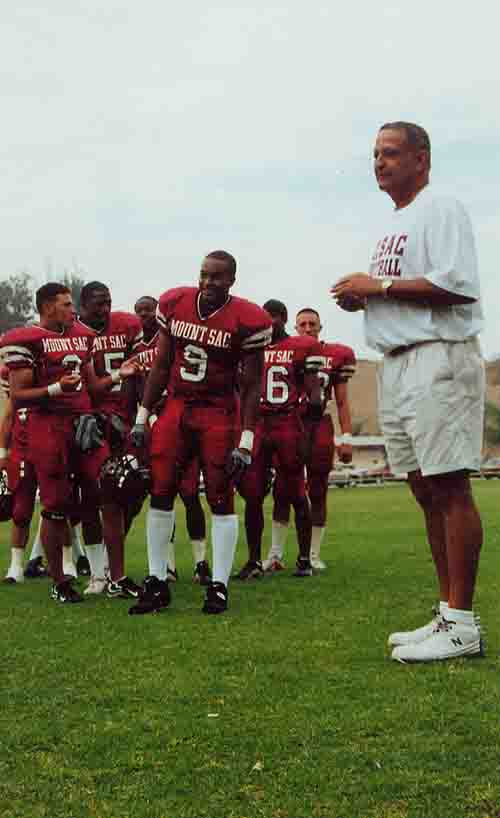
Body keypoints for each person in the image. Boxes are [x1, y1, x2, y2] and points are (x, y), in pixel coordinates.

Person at [331, 121, 485, 663]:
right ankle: (447, 613)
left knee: (448, 485)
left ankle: (463, 622)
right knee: (423, 488)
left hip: (436, 357)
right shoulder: (394, 223)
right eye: (374, 154)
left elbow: (456, 286)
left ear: (421, 159)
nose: (379, 162)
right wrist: (367, 300)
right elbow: (400, 290)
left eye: (391, 153)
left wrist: (376, 287)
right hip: (396, 361)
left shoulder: (440, 208)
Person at [129, 250, 272, 615]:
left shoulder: (248, 318)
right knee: (160, 491)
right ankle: (157, 580)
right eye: (204, 275)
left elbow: (253, 385)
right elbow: (161, 365)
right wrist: (142, 417)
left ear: (232, 281)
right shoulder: (175, 303)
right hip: (176, 406)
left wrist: (246, 440)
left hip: (218, 410)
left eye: (217, 277)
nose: (208, 282)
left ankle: (219, 585)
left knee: (220, 495)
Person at [0, 283, 139, 602]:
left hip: (83, 422)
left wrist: (121, 375)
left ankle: (115, 577)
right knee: (56, 505)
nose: (72, 310)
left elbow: (92, 387)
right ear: (47, 307)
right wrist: (56, 389)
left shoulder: (82, 335)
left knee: (111, 491)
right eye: (65, 304)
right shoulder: (25, 340)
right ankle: (60, 581)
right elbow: (19, 396)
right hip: (46, 427)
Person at [235, 299, 324, 579]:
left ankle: (304, 558)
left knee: (296, 492)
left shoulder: (301, 346)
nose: (268, 322)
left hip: (287, 422)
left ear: (283, 318)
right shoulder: (252, 346)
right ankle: (253, 560)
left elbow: (315, 397)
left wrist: (306, 434)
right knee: (252, 495)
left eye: (273, 317)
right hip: (259, 423)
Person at [264, 307, 356, 572]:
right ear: (295, 327)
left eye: (312, 323)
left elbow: (341, 401)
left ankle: (313, 554)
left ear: (320, 326)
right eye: (302, 324)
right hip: (290, 422)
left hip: (318, 426)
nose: (307, 328)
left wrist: (346, 437)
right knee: (283, 489)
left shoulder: (335, 354)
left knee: (318, 489)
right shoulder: (288, 350)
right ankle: (276, 553)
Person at [134, 296, 210, 586]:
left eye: (149, 310)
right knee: (162, 494)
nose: (145, 315)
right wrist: (144, 419)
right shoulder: (137, 349)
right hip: (157, 424)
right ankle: (167, 564)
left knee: (191, 495)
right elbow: (138, 390)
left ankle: (201, 561)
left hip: (185, 421)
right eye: (139, 311)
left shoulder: (177, 339)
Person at [77, 282, 144, 597]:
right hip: (90, 423)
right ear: (82, 305)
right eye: (97, 304)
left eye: (108, 303)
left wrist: (134, 415)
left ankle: (109, 566)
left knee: (129, 491)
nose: (104, 309)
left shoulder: (128, 326)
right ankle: (97, 573)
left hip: (125, 421)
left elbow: (140, 372)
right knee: (93, 497)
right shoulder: (73, 334)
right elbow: (87, 388)